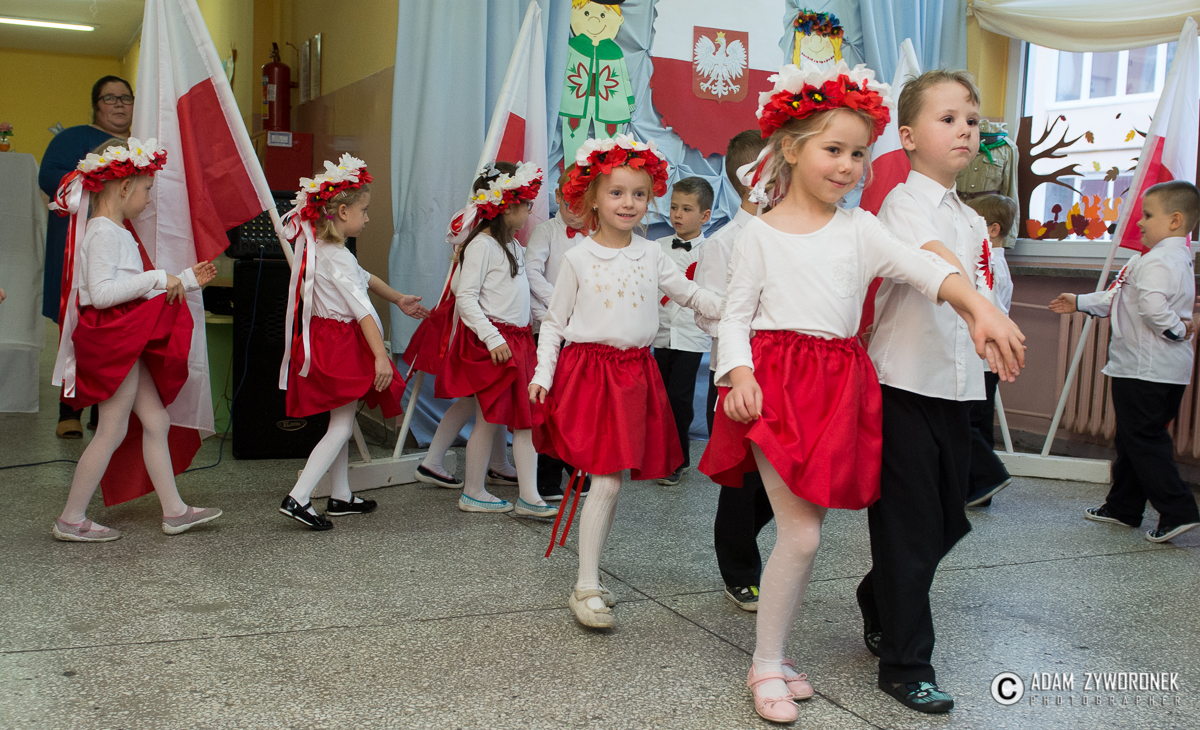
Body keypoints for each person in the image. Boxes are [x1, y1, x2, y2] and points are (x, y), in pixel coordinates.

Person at [698, 62, 1025, 724]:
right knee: (801, 535)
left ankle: (774, 654)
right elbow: (734, 316)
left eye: (856, 154)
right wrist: (739, 374)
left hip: (837, 388)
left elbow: (926, 270)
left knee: (807, 531)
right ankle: (766, 663)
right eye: (833, 150)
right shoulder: (758, 234)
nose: (847, 166)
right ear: (792, 149)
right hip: (776, 385)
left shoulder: (861, 229)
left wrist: (977, 309)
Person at [856, 69, 1023, 714]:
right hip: (902, 386)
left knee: (949, 520)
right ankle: (906, 665)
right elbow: (933, 262)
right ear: (907, 137)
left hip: (957, 390)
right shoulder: (903, 202)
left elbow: (980, 278)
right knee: (908, 528)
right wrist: (980, 308)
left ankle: (877, 595)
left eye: (972, 121)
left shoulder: (973, 219)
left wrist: (990, 332)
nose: (964, 131)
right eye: (947, 119)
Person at [529, 134, 723, 629]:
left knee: (610, 481)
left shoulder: (652, 254)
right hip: (590, 374)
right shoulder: (578, 258)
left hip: (635, 373)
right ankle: (585, 585)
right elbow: (554, 322)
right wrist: (543, 372)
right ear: (592, 197)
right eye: (616, 192)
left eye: (638, 193)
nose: (628, 203)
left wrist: (733, 309)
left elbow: (689, 294)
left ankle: (589, 575)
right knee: (609, 478)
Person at [50, 138, 222, 542]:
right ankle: (71, 518)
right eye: (146, 189)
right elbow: (100, 295)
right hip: (115, 343)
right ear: (125, 187)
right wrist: (159, 277)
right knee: (111, 430)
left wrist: (183, 280)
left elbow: (131, 289)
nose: (148, 199)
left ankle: (175, 511)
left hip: (125, 339)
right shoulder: (103, 232)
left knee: (156, 420)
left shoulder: (116, 231)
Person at [278, 155, 430, 530]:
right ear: (343, 212)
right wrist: (380, 357)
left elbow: (367, 279)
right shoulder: (338, 257)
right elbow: (363, 311)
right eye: (364, 210)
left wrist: (398, 298)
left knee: (340, 420)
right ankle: (298, 496)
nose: (367, 218)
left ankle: (341, 495)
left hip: (325, 340)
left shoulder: (323, 250)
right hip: (340, 344)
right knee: (343, 426)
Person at [1050, 181, 1200, 544]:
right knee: (1133, 437)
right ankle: (1123, 506)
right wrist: (1080, 301)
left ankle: (1178, 510)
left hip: (1144, 370)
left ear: (1175, 220)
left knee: (1143, 439)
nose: (1140, 223)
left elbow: (1152, 308)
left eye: (1147, 215)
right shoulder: (1166, 259)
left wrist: (1179, 330)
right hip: (1162, 370)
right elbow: (1120, 298)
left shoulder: (1158, 260)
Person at [435, 161, 555, 517]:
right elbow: (465, 297)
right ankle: (473, 492)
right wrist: (491, 338)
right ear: (505, 207)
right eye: (525, 204)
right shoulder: (482, 245)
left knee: (525, 419)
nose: (529, 211)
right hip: (496, 345)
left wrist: (552, 321)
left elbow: (524, 297)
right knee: (489, 420)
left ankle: (529, 496)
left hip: (518, 342)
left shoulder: (513, 246)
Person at [694, 129, 771, 611]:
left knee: (780, 474)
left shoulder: (787, 232)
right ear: (753, 176)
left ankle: (749, 546)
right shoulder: (722, 242)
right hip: (738, 373)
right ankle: (739, 570)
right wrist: (747, 318)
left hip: (785, 372)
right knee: (742, 481)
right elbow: (706, 314)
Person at [40, 75, 135, 439]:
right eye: (110, 98)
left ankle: (103, 410)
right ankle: (69, 410)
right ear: (96, 105)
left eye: (125, 97)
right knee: (78, 331)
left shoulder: (143, 145)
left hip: (123, 249)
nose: (119, 104)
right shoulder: (72, 138)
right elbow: (49, 177)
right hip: (78, 249)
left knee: (115, 331)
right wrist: (99, 177)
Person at [525, 167, 589, 501]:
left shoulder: (596, 235)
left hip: (584, 332)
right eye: (569, 202)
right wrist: (559, 304)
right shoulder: (545, 232)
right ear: (558, 197)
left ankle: (578, 469)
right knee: (549, 403)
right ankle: (547, 475)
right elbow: (531, 272)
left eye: (582, 203)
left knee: (578, 405)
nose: (576, 210)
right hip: (550, 328)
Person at [653, 176, 714, 486]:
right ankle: (666, 455)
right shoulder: (657, 247)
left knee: (679, 398)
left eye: (687, 209)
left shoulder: (713, 250)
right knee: (660, 398)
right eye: (674, 207)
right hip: (661, 333)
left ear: (705, 215)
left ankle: (677, 460)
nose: (677, 214)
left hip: (690, 335)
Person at [963, 194, 1017, 507]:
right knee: (979, 422)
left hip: (981, 358)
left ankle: (988, 476)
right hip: (985, 360)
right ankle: (978, 489)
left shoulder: (989, 265)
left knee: (967, 422)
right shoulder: (994, 263)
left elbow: (987, 309)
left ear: (992, 230)